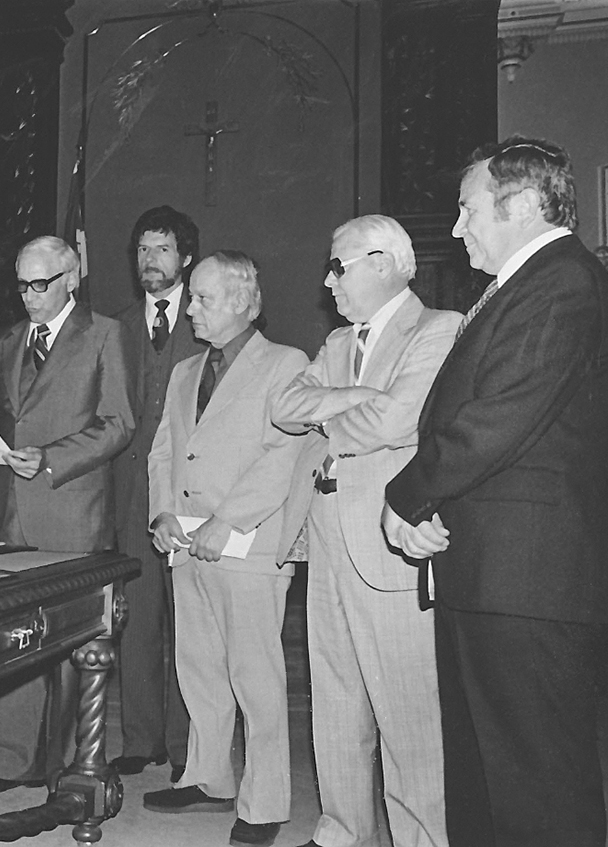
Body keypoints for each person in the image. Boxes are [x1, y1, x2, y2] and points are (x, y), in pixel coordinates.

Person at [382, 137, 608, 847]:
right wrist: (434, 508)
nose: (456, 228)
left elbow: (497, 420)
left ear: (523, 204)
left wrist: (404, 498)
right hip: (493, 574)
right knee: (488, 781)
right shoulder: (530, 283)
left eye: (466, 209)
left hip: (526, 583)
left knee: (536, 789)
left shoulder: (563, 280)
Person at [271, 215, 461, 847]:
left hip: (389, 541)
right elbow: (286, 405)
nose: (328, 283)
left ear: (383, 263)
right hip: (325, 536)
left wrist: (337, 413)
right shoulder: (336, 344)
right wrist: (358, 398)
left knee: (408, 712)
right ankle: (343, 831)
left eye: (339, 266)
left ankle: (421, 839)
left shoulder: (438, 329)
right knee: (335, 699)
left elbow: (398, 420)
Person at [0, 235, 135, 794]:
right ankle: (13, 760)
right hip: (9, 513)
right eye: (22, 284)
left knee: (71, 647)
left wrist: (51, 460)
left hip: (73, 510)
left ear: (71, 278)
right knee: (11, 640)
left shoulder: (104, 333)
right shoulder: (6, 340)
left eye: (40, 284)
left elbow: (119, 421)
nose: (28, 296)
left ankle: (71, 764)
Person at [142, 252, 306, 847]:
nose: (190, 309)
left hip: (247, 547)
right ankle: (209, 777)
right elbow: (164, 449)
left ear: (240, 301)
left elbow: (283, 455)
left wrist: (225, 520)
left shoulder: (286, 364)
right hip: (186, 543)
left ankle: (264, 804)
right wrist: (161, 513)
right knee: (200, 668)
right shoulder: (186, 370)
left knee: (255, 677)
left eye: (202, 299)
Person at [110, 205, 202, 782]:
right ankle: (140, 739)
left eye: (162, 249)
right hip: (129, 497)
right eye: (143, 250)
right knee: (136, 622)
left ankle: (189, 745)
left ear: (185, 258)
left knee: (189, 625)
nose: (151, 260)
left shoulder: (210, 319)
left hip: (189, 498)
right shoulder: (116, 326)